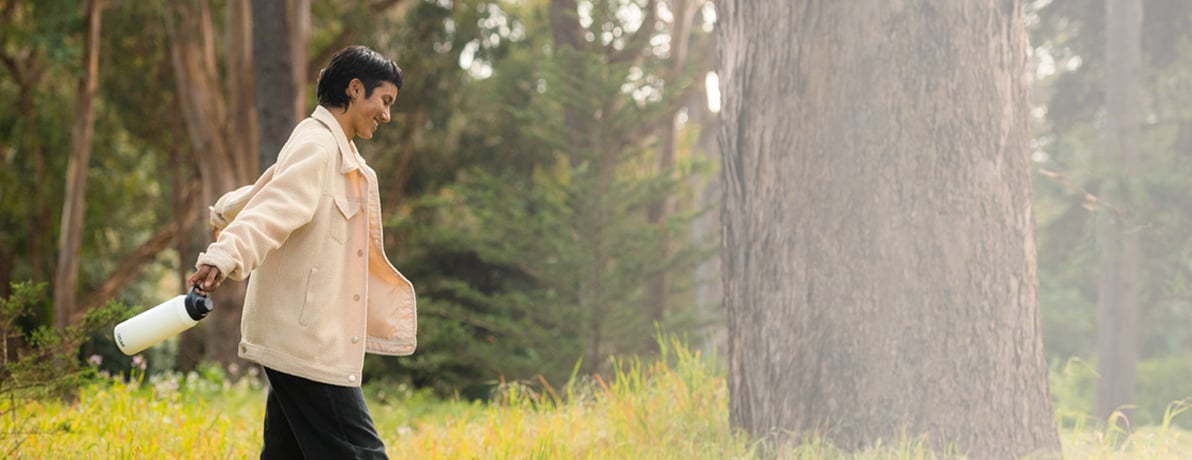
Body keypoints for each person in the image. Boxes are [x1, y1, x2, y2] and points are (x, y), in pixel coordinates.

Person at [188, 45, 416, 459]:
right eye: (384, 101)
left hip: (304, 335)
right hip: (308, 341)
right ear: (354, 88)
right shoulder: (319, 145)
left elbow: (263, 192)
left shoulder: (332, 150)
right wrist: (225, 256)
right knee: (360, 452)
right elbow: (274, 208)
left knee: (285, 453)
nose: (387, 114)